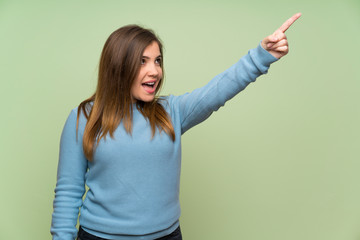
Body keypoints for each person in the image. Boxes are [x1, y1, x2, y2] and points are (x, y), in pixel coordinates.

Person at [51, 13, 301, 240]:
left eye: (158, 61)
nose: (155, 71)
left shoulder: (171, 112)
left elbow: (217, 91)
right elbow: (68, 192)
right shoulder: (84, 117)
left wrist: (261, 56)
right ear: (118, 66)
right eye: (142, 61)